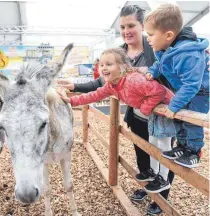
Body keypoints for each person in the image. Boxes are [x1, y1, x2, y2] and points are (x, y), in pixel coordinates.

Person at [57, 5, 175, 215]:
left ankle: (161, 199)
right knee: (143, 154)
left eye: (131, 25)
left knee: (162, 152)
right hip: (138, 114)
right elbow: (101, 86)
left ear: (143, 25)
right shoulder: (119, 53)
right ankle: (148, 190)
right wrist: (74, 90)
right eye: (122, 26)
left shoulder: (158, 48)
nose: (126, 30)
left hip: (160, 113)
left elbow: (175, 70)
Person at [59, 47, 176, 192]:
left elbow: (160, 91)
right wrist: (71, 101)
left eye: (109, 64)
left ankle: (164, 179)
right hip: (155, 112)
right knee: (152, 144)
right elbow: (94, 95)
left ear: (123, 67)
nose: (103, 68)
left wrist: (144, 108)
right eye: (101, 65)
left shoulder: (133, 80)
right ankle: (153, 172)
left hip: (166, 110)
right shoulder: (112, 85)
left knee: (163, 146)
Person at [144, 3, 209, 168]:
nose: (148, 39)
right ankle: (181, 146)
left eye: (151, 34)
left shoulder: (189, 53)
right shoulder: (168, 49)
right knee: (178, 117)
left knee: (191, 120)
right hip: (185, 90)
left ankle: (194, 151)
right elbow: (160, 64)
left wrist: (173, 105)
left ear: (168, 35)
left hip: (200, 91)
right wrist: (152, 72)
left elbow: (192, 85)